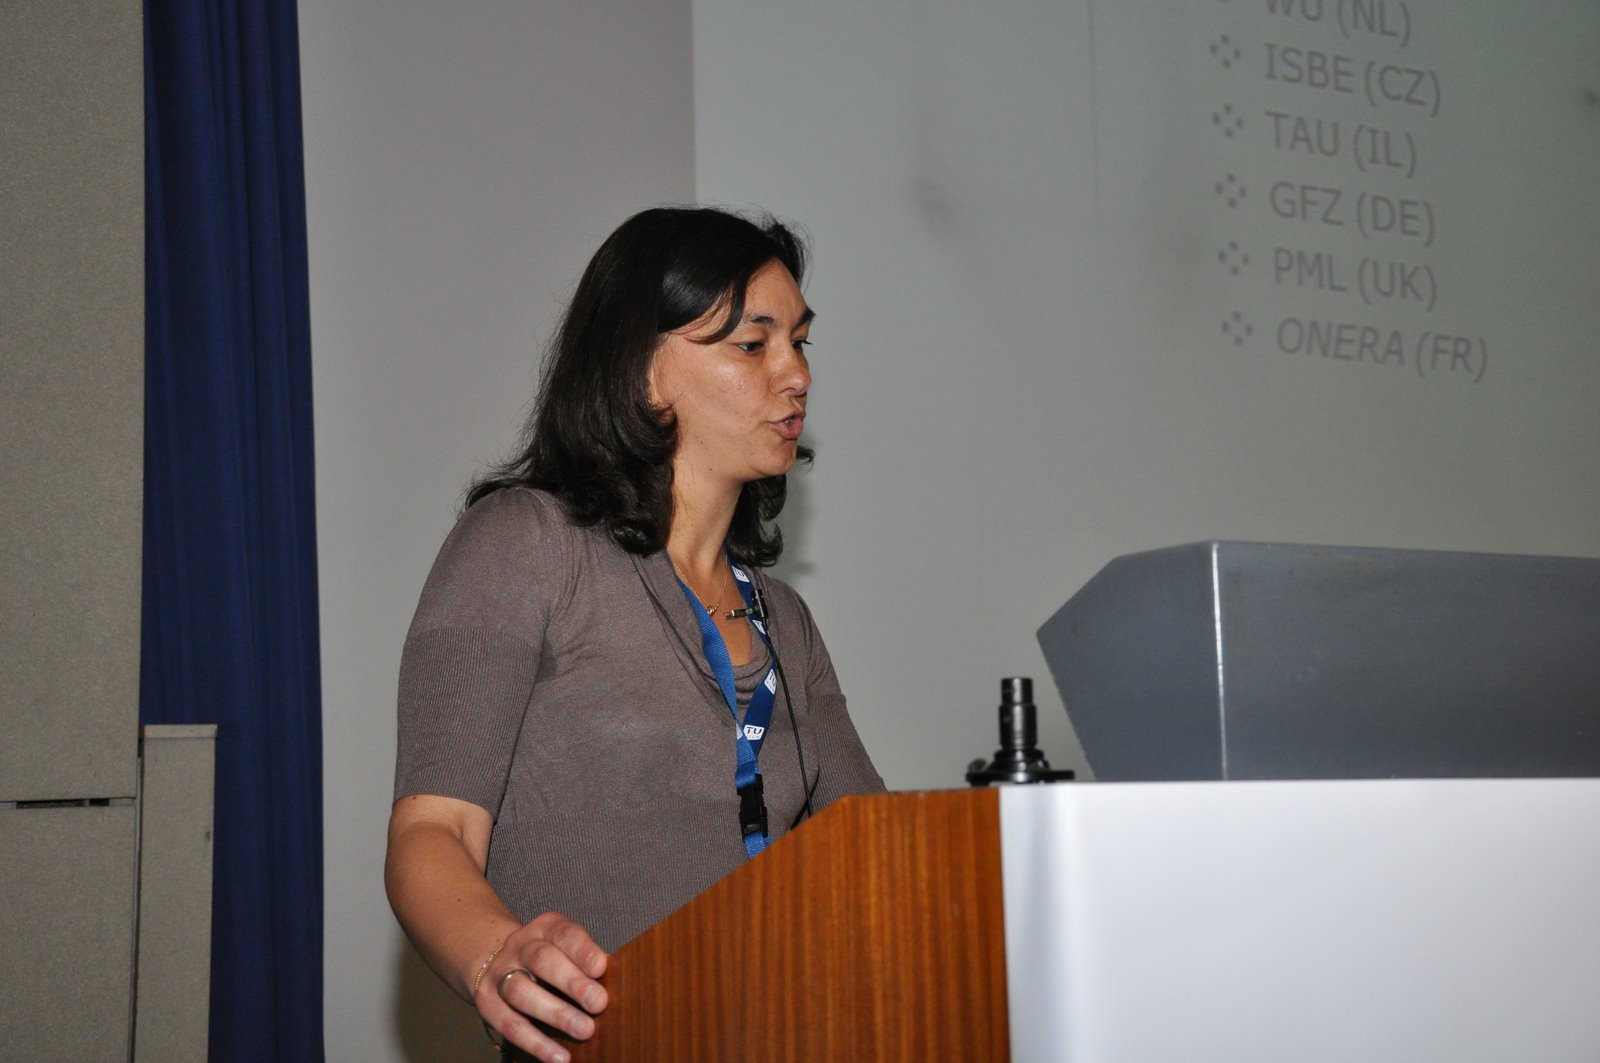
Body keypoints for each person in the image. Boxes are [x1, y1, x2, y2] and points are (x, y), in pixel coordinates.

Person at [384, 206, 885, 1062]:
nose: (796, 373)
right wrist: (497, 955)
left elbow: (874, 852)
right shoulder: (526, 545)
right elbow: (433, 832)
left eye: (800, 342)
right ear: (644, 374)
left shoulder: (785, 620)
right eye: (753, 344)